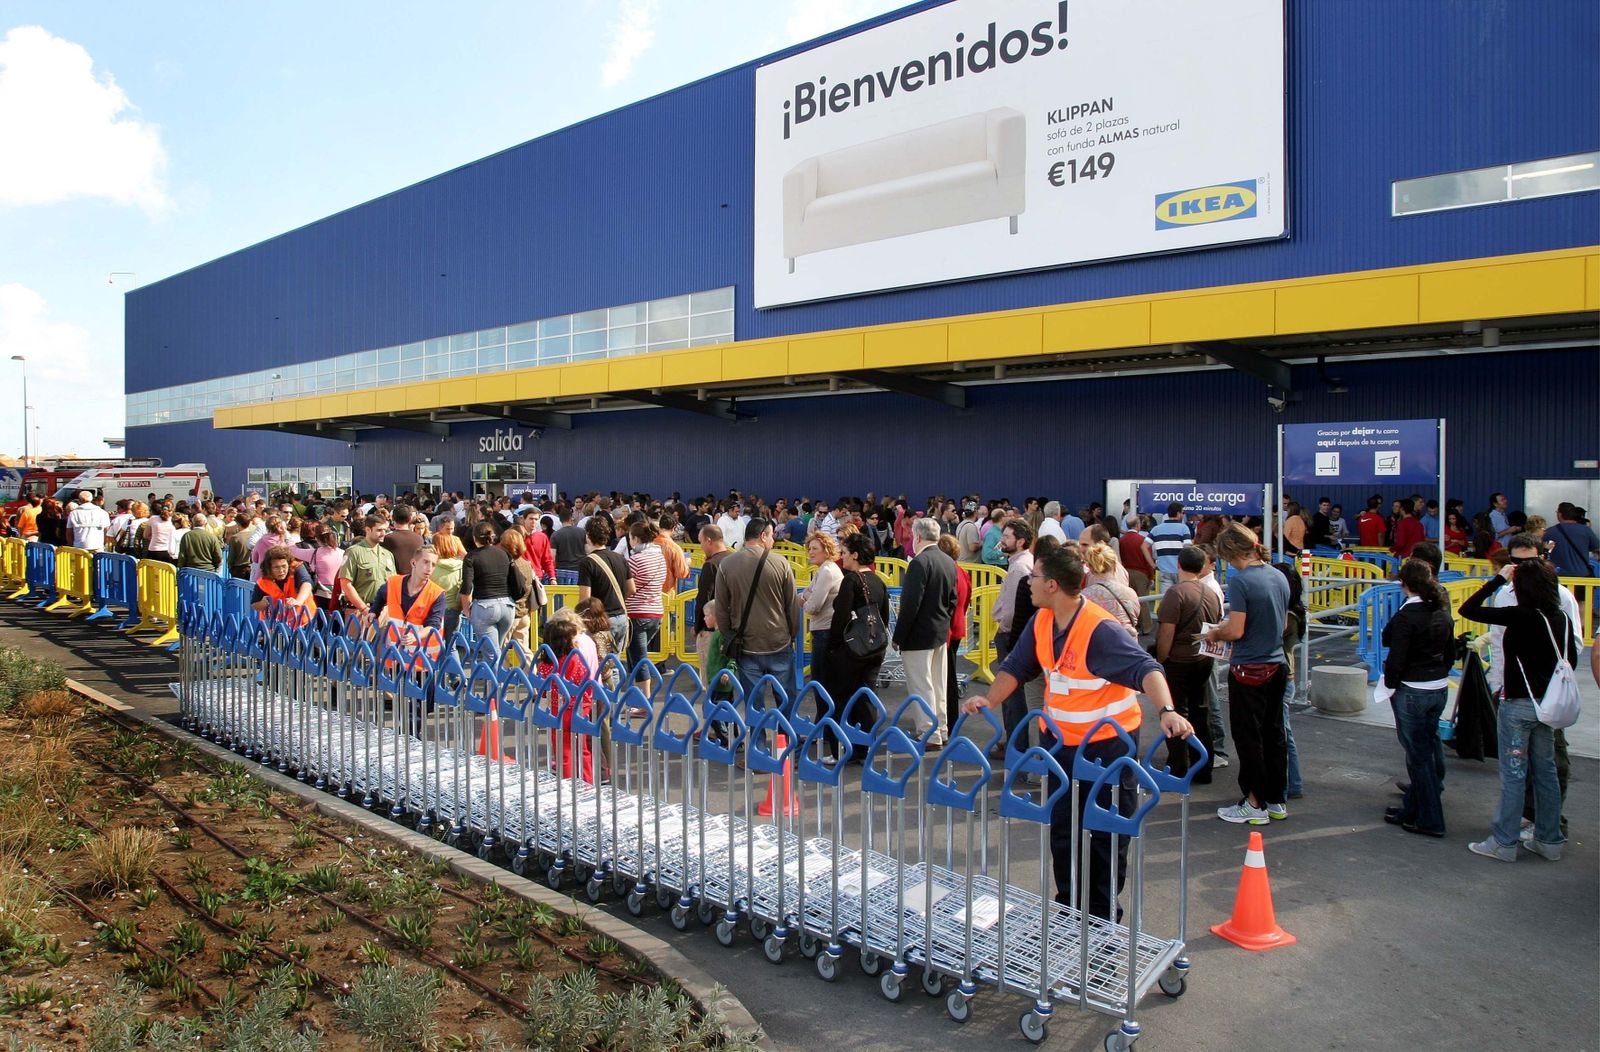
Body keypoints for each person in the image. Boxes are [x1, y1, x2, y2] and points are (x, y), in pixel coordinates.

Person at [962, 545, 1192, 919]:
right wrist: (990, 699)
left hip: (1108, 750)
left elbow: (1148, 668)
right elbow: (1017, 666)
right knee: (1064, 831)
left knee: (1104, 834)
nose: (1028, 583)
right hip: (1061, 747)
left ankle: (1101, 918)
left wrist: (1166, 710)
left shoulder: (1099, 630)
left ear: (1052, 585)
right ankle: (1070, 908)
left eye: (1033, 577)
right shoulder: (1042, 621)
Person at [1460, 557, 1575, 862]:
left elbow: (1467, 609)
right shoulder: (1560, 618)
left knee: (1513, 773)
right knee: (1546, 771)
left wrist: (1498, 579)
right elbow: (1571, 659)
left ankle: (1504, 841)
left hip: (1517, 703)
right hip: (1548, 705)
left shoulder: (1520, 616)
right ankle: (1550, 840)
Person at [1481, 535, 1584, 842]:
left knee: (1551, 765)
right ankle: (1533, 824)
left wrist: (1551, 686)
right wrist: (1498, 684)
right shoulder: (1505, 597)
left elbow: (1573, 646)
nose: (1522, 567)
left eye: (1530, 561)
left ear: (1542, 559)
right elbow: (1498, 642)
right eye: (1516, 562)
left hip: (1546, 698)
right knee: (1521, 768)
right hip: (1513, 694)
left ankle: (1548, 828)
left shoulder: (1560, 597)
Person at [1205, 523, 1291, 825]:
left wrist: (1215, 634)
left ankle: (1254, 803)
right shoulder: (1279, 575)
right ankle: (1276, 799)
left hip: (1249, 668)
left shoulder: (1242, 582)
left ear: (1230, 552)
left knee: (1248, 738)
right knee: (1274, 734)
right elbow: (1282, 626)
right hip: (1277, 663)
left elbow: (1236, 629)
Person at [1374, 558, 1455, 838]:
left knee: (1418, 756)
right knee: (1426, 749)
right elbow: (1450, 649)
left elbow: (1394, 651)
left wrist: (1391, 683)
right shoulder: (1441, 610)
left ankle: (1431, 818)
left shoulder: (1407, 616)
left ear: (1404, 583)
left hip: (1413, 687)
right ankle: (1414, 808)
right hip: (1437, 686)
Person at [713, 517, 801, 702]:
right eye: (771, 536)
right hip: (778, 640)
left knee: (754, 703)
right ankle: (785, 732)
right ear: (762, 536)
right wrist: (791, 634)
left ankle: (758, 732)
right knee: (786, 700)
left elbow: (721, 609)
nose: (773, 540)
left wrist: (729, 634)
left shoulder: (727, 565)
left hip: (746, 643)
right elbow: (791, 605)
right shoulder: (781, 563)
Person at [821, 532, 892, 757]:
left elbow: (840, 617)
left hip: (851, 651)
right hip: (874, 648)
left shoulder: (851, 581)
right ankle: (865, 748)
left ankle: (840, 750)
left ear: (855, 554)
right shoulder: (878, 580)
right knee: (866, 696)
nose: (842, 557)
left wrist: (833, 648)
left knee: (841, 698)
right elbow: (884, 616)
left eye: (844, 553)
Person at [1156, 546, 1222, 782]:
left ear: (1179, 565)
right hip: (1203, 658)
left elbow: (1166, 633)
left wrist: (1162, 659)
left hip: (1179, 660)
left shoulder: (1176, 593)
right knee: (1200, 711)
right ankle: (1204, 766)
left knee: (1175, 712)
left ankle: (1178, 767)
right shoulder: (1211, 593)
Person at [894, 517, 957, 746]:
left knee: (921, 686)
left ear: (917, 536)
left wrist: (898, 636)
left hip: (918, 635)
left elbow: (910, 604)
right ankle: (941, 728)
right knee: (939, 685)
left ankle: (928, 732)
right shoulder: (948, 561)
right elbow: (953, 599)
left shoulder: (919, 563)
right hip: (940, 632)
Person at [991, 519, 1037, 753]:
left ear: (1020, 541)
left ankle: (1016, 745)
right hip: (1017, 634)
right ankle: (1015, 742)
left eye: (1007, 537)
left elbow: (1010, 610)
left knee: (1011, 695)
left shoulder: (1019, 567)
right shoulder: (1023, 563)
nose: (1002, 540)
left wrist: (1004, 629)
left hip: (1011, 635)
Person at [460, 519, 522, 652]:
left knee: (492, 654)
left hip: (484, 607)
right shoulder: (504, 554)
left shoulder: (471, 557)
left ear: (474, 538)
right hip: (507, 607)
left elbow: (466, 586)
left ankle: (497, 673)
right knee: (496, 650)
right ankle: (497, 672)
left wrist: (466, 610)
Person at [372, 547, 446, 653]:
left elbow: (433, 625)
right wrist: (374, 611)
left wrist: (416, 636)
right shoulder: (394, 583)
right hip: (395, 653)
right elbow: (380, 595)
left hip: (421, 657)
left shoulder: (437, 593)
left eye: (433, 565)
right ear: (413, 563)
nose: (429, 568)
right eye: (425, 562)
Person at [935, 533, 973, 736]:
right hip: (957, 627)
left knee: (945, 679)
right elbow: (966, 601)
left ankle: (949, 723)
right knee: (948, 676)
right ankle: (950, 721)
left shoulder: (948, 573)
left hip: (948, 631)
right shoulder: (962, 572)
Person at [578, 516, 633, 655]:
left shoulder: (587, 562)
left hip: (601, 619)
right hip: (621, 616)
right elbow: (632, 588)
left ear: (588, 536)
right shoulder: (620, 558)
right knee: (614, 665)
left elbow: (585, 599)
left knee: (601, 667)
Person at [623, 520, 667, 675]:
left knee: (639, 660)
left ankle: (644, 696)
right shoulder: (660, 558)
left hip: (637, 613)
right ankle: (635, 693)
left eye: (629, 538)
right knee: (637, 657)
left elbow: (627, 587)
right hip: (656, 612)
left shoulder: (634, 560)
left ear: (636, 538)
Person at [802, 533, 843, 680]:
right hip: (822, 630)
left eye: (814, 548)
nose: (810, 552)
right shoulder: (823, 569)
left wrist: (807, 597)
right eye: (809, 548)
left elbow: (813, 607)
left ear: (826, 551)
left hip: (825, 631)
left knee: (820, 679)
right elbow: (805, 595)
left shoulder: (827, 571)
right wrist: (807, 596)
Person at [1081, 542, 1140, 636]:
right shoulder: (1130, 593)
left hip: (1100, 644)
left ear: (1091, 568)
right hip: (1128, 643)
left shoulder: (1085, 596)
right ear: (1114, 563)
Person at [251, 545, 313, 623]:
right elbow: (254, 604)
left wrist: (298, 601)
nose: (281, 570)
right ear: (269, 568)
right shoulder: (263, 581)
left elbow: (306, 584)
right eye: (276, 567)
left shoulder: (296, 568)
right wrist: (263, 604)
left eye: (284, 566)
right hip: (276, 625)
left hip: (303, 621)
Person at [501, 527, 538, 651]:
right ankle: (531, 670)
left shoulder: (508, 564)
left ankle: (502, 671)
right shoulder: (526, 563)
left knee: (503, 648)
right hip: (524, 611)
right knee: (524, 650)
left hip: (511, 612)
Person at [1546, 502, 1600, 579]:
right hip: (1581, 576)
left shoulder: (1550, 532)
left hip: (1558, 577)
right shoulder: (1586, 530)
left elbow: (1546, 550)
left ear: (1560, 514)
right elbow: (1595, 548)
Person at [1148, 503, 1192, 590]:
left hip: (1164, 570)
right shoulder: (1184, 528)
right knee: (1182, 598)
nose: (1183, 515)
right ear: (1178, 513)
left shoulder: (1156, 529)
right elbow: (1188, 548)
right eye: (1183, 513)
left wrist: (1152, 565)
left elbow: (1144, 546)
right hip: (1181, 569)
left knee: (1166, 599)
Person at [430, 533, 466, 638]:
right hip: (454, 609)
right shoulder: (462, 566)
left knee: (435, 644)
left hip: (435, 609)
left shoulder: (432, 566)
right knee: (451, 646)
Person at [382, 504, 424, 575]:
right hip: (414, 578)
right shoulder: (419, 539)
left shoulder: (387, 539)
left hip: (395, 580)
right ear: (410, 518)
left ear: (392, 518)